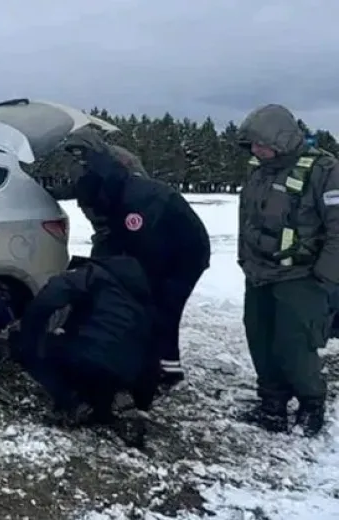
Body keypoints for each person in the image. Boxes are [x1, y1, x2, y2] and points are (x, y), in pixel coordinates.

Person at [60, 128, 211, 389]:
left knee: (162, 306)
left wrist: (132, 278)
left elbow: (146, 250)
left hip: (185, 253)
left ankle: (166, 370)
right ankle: (145, 360)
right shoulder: (102, 182)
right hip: (151, 240)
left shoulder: (135, 201)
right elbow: (112, 235)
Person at [236, 104, 339, 436]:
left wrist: (324, 278)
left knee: (295, 344)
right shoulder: (260, 170)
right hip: (259, 273)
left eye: (260, 143)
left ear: (280, 138)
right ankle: (272, 405)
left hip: (302, 276)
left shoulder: (324, 171)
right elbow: (247, 218)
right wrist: (245, 261)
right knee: (260, 338)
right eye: (251, 145)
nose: (255, 150)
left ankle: (311, 405)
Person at [13, 255, 158, 433]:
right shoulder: (142, 299)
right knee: (104, 374)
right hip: (127, 371)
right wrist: (143, 401)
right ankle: (110, 403)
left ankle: (73, 402)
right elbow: (153, 354)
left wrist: (29, 332)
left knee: (35, 350)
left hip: (89, 356)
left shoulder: (91, 273)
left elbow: (50, 296)